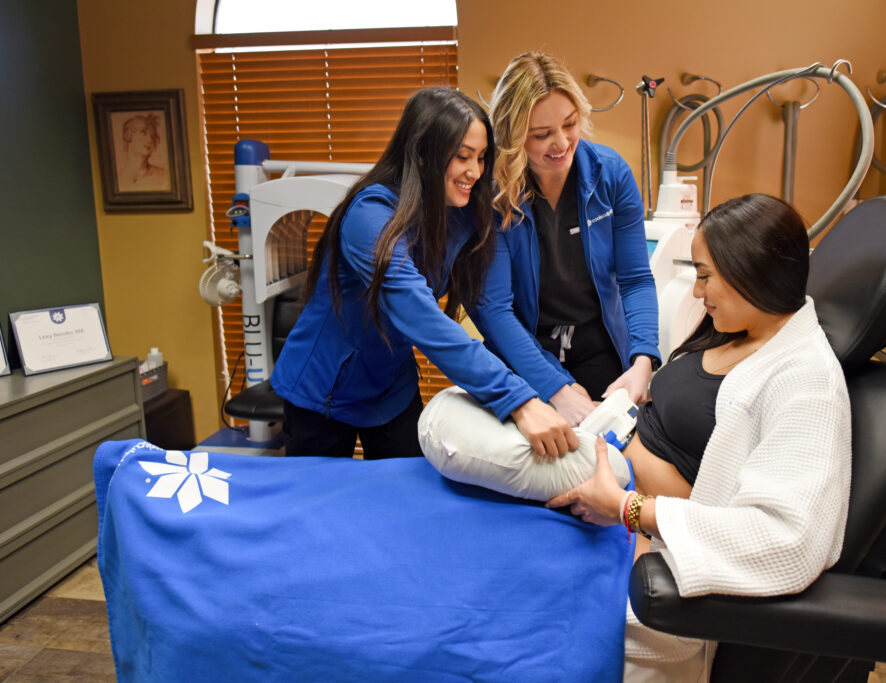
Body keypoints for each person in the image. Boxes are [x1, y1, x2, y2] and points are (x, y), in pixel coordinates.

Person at [546, 193, 852, 678]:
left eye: (705, 275)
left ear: (751, 270)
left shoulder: (807, 381)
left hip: (643, 543)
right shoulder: (738, 330)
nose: (696, 291)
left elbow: (787, 540)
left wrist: (628, 509)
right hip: (614, 493)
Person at [270, 87, 577, 461]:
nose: (475, 171)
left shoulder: (465, 213)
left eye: (481, 157)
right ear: (421, 153)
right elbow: (422, 318)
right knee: (322, 496)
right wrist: (517, 401)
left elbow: (493, 312)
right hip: (322, 391)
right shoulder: (369, 217)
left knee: (410, 491)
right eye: (462, 156)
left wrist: (555, 387)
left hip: (391, 388)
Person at [470, 52, 660, 428]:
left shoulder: (611, 175)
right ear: (512, 135)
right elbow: (495, 310)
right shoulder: (492, 195)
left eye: (570, 124)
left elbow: (636, 279)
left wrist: (643, 359)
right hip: (526, 358)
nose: (561, 143)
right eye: (541, 134)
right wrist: (556, 388)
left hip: (600, 353)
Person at [117, 113, 170, 192]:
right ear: (128, 135)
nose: (150, 140)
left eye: (153, 136)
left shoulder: (163, 176)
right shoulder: (118, 177)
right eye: (143, 133)